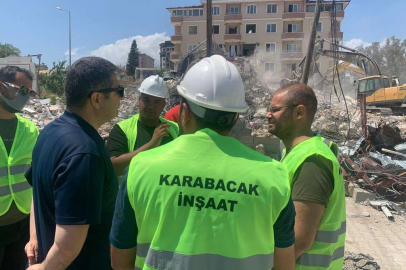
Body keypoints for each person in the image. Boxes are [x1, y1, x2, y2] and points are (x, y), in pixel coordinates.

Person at [110, 55, 296, 270]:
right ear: (236, 118)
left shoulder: (140, 169)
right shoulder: (274, 176)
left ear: (184, 112)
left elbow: (120, 259)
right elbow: (284, 265)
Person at [25, 57, 121, 270]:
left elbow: (37, 193)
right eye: (118, 90)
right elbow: (67, 247)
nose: (122, 98)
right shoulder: (84, 154)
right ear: (97, 99)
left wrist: (34, 237)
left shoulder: (50, 131)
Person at [266, 83, 346, 269]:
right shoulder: (296, 152)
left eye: (275, 110)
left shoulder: (312, 160)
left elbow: (299, 240)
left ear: (299, 113)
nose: (268, 114)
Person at [0, 66, 38, 270]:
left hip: (22, 225)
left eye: (30, 92)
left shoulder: (30, 130)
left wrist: (34, 233)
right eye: (21, 89)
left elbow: (37, 180)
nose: (26, 97)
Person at [106, 75, 178, 176]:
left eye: (157, 102)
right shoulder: (122, 129)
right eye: (146, 100)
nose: (151, 106)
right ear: (139, 100)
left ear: (164, 104)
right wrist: (151, 145)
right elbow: (113, 167)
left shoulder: (174, 129)